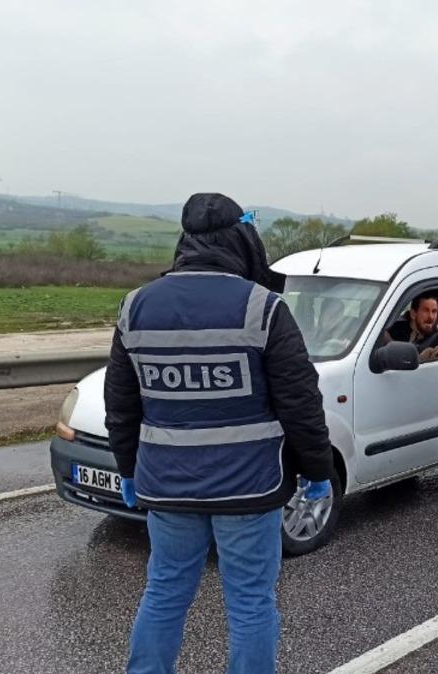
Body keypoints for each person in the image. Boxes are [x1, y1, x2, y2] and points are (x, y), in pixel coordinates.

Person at [105, 193, 336, 674]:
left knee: (165, 592)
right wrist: (317, 471)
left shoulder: (135, 307)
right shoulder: (264, 308)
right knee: (251, 603)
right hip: (248, 487)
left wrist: (129, 470)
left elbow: (121, 407)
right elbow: (300, 402)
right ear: (241, 240)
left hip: (166, 486)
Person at [384, 293, 438, 363]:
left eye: (434, 311)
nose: (431, 317)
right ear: (413, 314)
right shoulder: (394, 330)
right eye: (425, 310)